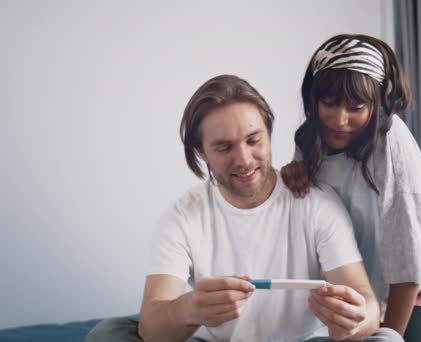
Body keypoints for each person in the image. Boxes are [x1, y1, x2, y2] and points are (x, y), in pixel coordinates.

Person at [85, 74, 403, 342]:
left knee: (387, 338)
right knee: (108, 333)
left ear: (269, 135)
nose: (244, 159)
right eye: (224, 147)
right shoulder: (183, 216)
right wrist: (189, 309)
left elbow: (369, 309)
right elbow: (152, 324)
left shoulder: (317, 204)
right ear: (201, 152)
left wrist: (356, 319)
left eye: (254, 140)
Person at [281, 34, 421, 342]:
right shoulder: (309, 142)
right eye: (330, 103)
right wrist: (293, 176)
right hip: (362, 292)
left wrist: (388, 335)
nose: (340, 119)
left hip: (420, 292)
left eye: (356, 107)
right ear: (314, 99)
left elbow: (409, 259)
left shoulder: (392, 143)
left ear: (376, 104)